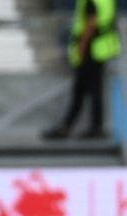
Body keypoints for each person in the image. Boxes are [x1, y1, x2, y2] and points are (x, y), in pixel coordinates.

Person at [42, 0, 120, 140]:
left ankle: (75, 127)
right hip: (101, 48)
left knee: (85, 90)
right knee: (86, 90)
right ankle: (73, 126)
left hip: (91, 50)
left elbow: (91, 22)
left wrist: (81, 46)